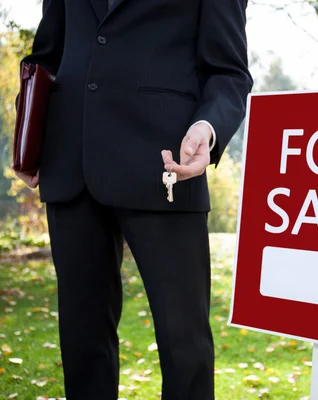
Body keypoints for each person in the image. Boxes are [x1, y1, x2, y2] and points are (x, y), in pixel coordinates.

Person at [14, 0, 252, 399]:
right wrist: (29, 133)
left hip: (166, 162)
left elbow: (229, 72)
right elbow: (47, 54)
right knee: (82, 340)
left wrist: (207, 127)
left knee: (184, 343)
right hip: (69, 160)